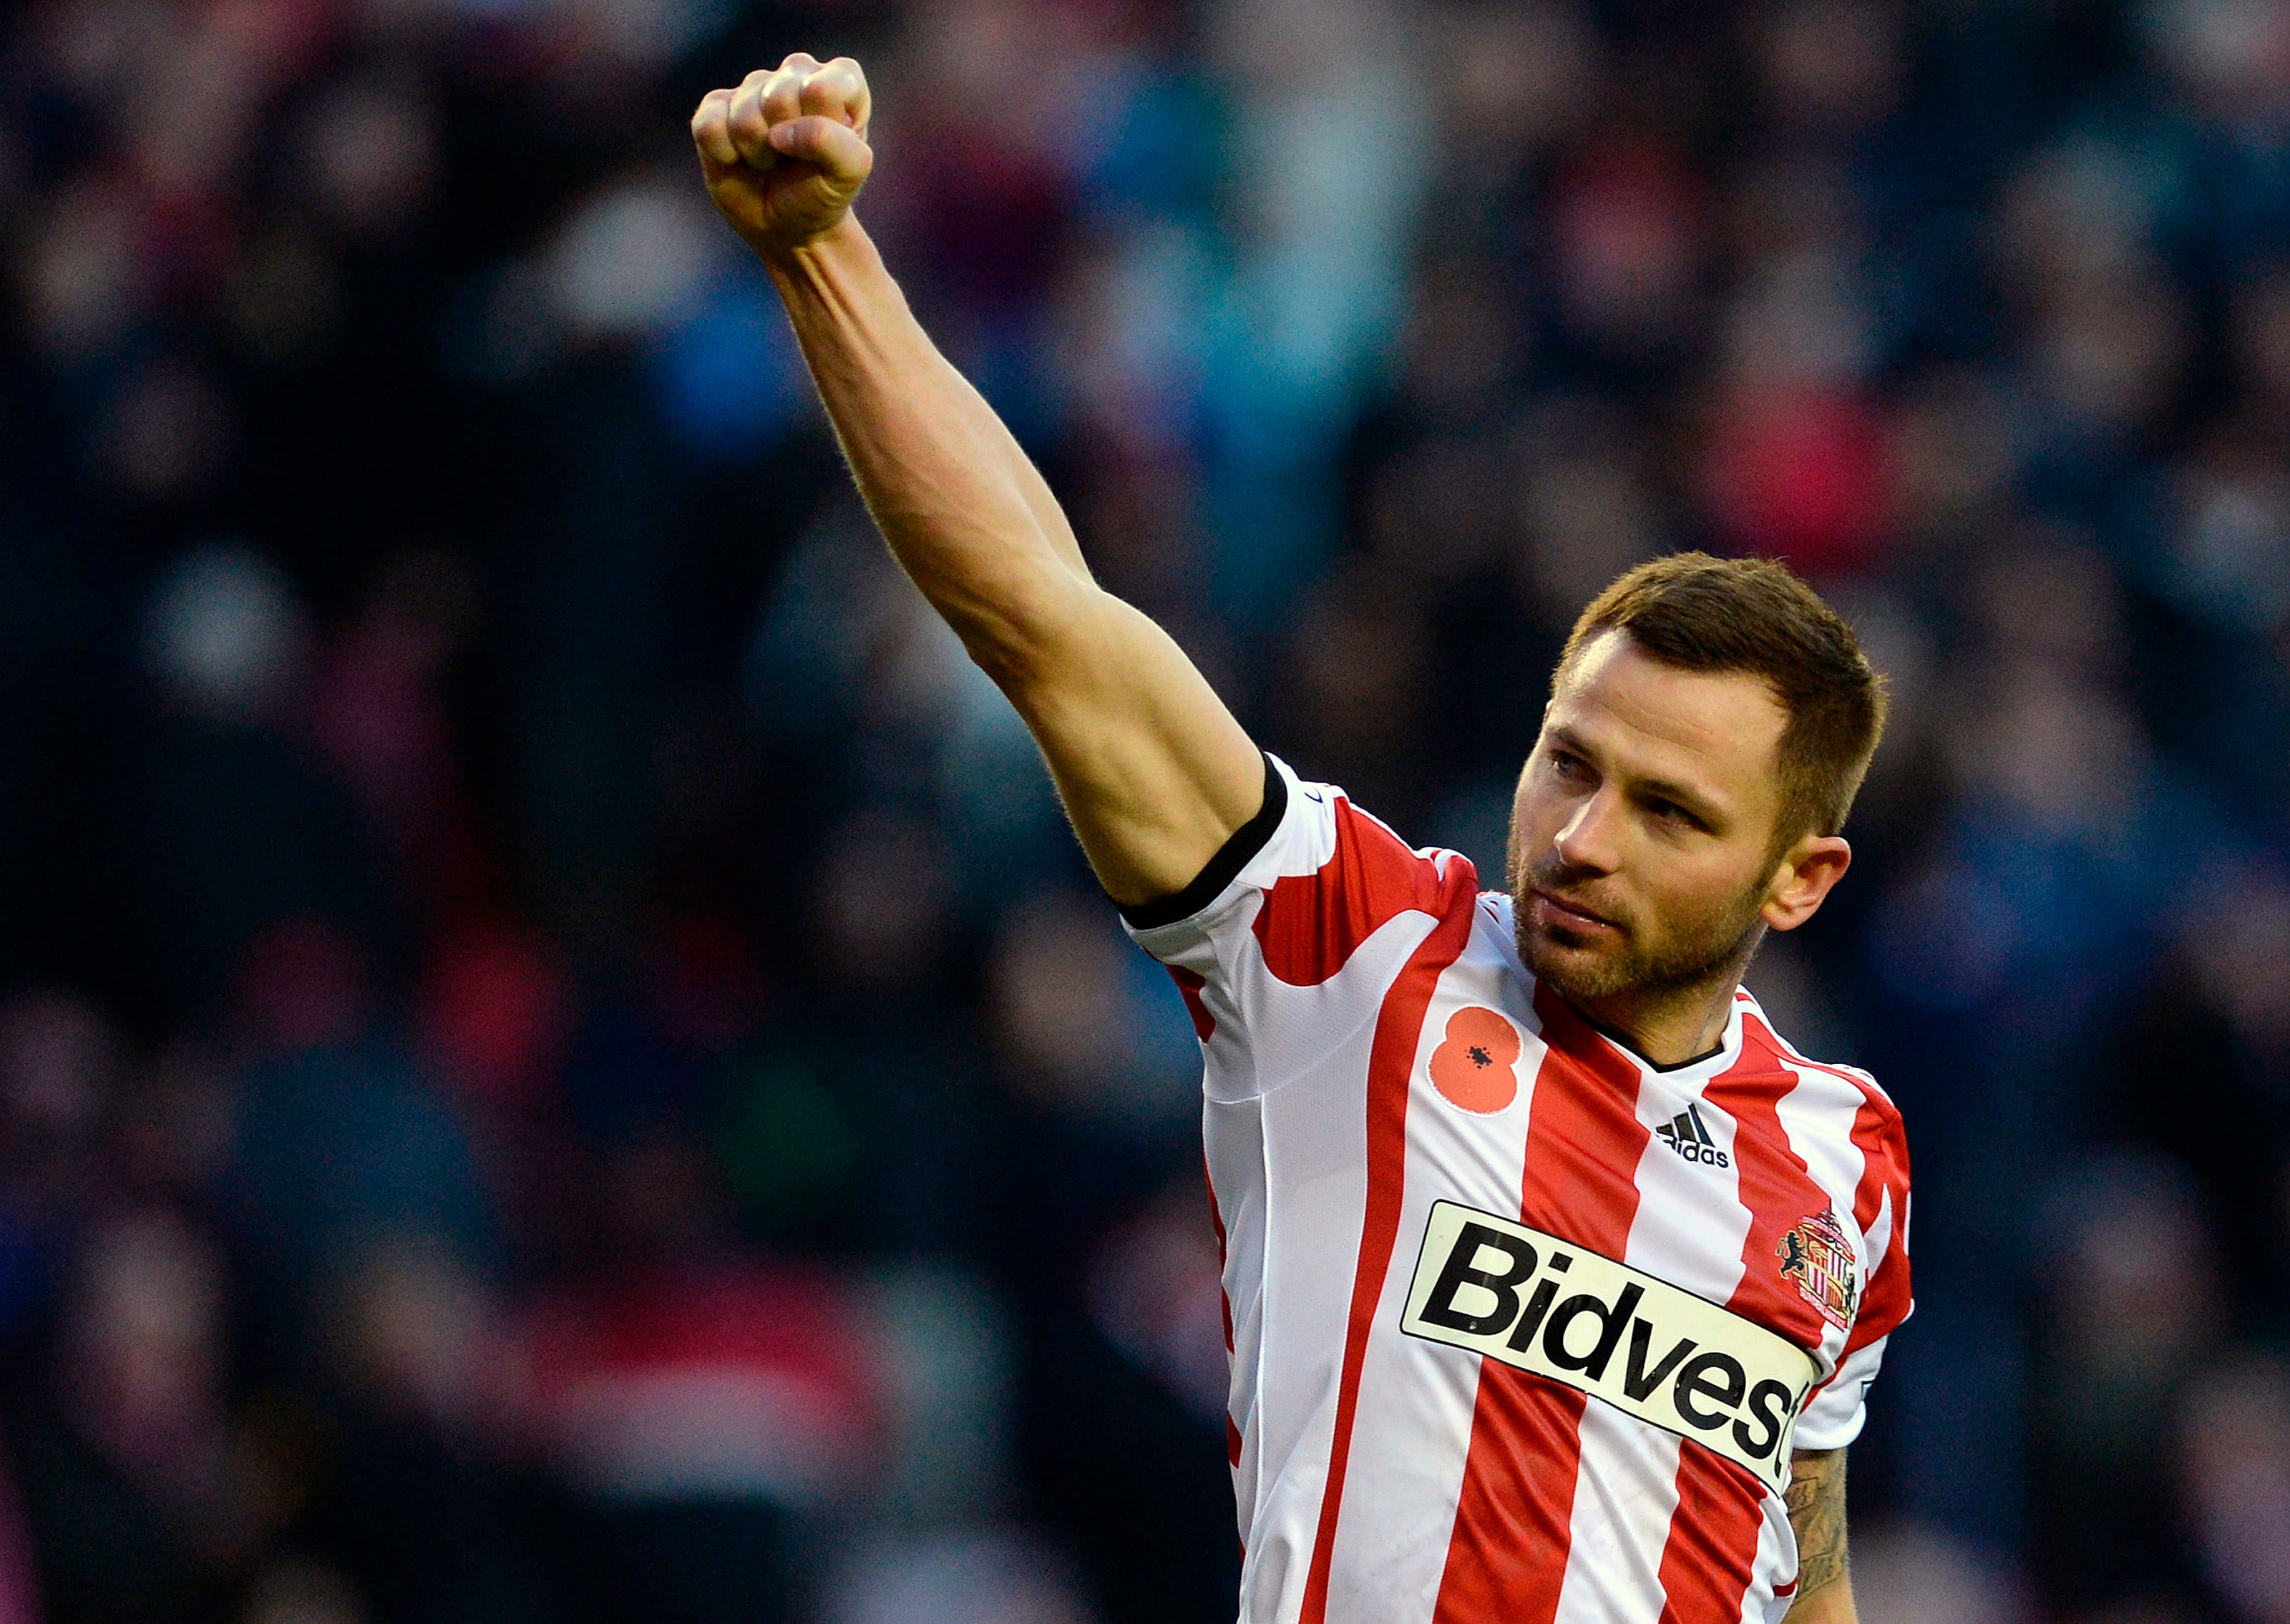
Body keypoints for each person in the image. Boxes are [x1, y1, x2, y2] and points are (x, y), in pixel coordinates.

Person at [692, 52, 1910, 1624]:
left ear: (1799, 879)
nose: (1583, 838)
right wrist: (822, 256)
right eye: (1569, 763)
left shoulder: (1845, 1159)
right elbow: (1051, 624)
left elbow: (1803, 1552)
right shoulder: (1358, 950)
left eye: (1670, 810)